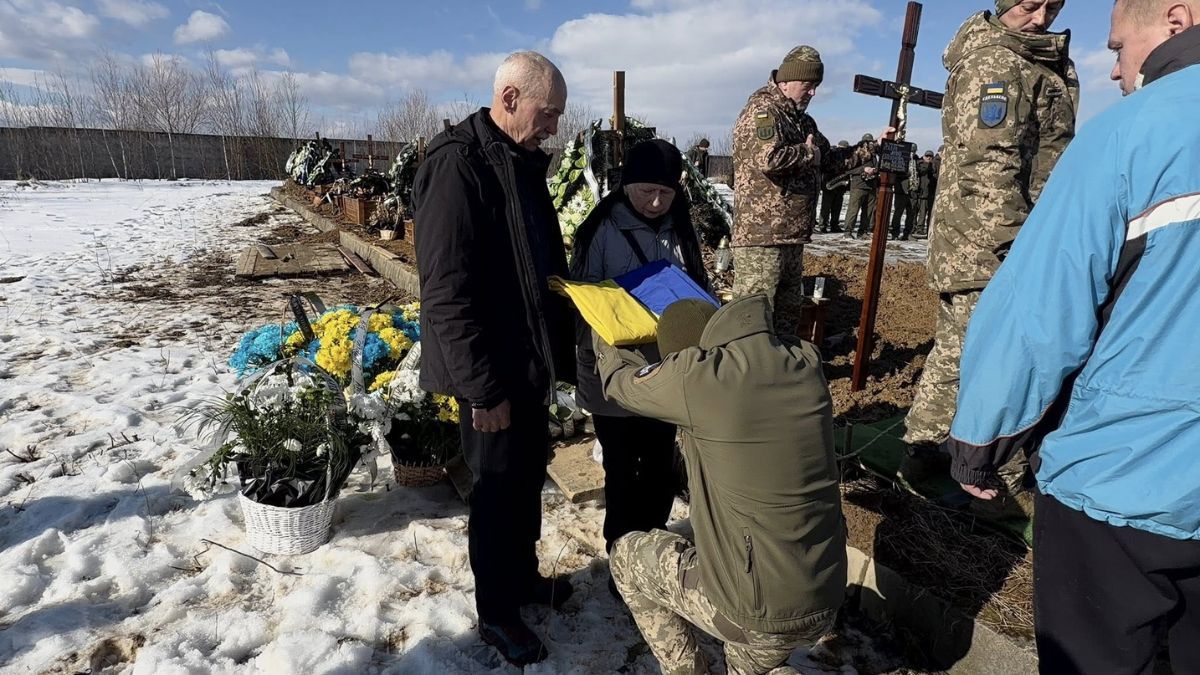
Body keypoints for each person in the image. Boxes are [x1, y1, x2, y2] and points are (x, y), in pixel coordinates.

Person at [947, 2, 1200, 671]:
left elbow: (1041, 308)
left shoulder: (1135, 133)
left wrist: (982, 438)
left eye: (1120, 47)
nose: (1115, 70)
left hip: (1125, 481)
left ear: (1177, 19)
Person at [411, 50, 576, 667]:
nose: (555, 126)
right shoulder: (458, 166)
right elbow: (447, 294)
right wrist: (481, 390)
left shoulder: (518, 161)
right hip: (490, 370)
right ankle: (495, 611)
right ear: (509, 98)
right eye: (548, 112)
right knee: (496, 488)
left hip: (528, 362)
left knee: (527, 477)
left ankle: (523, 577)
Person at [593, 296, 845, 675]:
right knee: (750, 659)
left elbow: (618, 384)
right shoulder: (804, 362)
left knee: (628, 556)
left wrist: (602, 326)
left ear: (687, 354)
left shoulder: (698, 379)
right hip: (826, 595)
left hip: (756, 612)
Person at [899, 0, 1078, 512]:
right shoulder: (998, 63)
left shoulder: (1025, 57)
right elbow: (989, 169)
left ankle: (922, 447)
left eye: (1051, 6)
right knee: (1000, 359)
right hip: (992, 246)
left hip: (984, 243)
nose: (1041, 17)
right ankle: (998, 476)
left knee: (958, 350)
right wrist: (1017, 254)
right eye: (1028, 5)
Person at [569, 139, 710, 572]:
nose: (654, 202)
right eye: (645, 191)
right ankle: (623, 558)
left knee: (660, 467)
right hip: (614, 369)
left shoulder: (680, 228)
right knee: (622, 469)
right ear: (626, 185)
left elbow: (698, 288)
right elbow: (581, 298)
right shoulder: (600, 229)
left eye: (665, 193)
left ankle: (653, 550)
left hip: (667, 367)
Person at [730, 45, 878, 334]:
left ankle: (782, 374)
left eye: (816, 87)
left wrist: (873, 148)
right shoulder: (762, 112)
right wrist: (808, 154)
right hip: (762, 237)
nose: (813, 93)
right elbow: (768, 159)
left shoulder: (803, 121)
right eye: (808, 86)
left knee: (787, 316)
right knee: (753, 321)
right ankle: (746, 376)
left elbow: (831, 160)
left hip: (791, 235)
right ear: (785, 82)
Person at [841, 134, 879, 240]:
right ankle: (848, 232)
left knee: (868, 211)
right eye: (868, 142)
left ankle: (863, 232)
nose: (870, 144)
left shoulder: (874, 155)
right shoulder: (856, 153)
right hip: (858, 185)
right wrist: (863, 170)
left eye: (871, 142)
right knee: (853, 210)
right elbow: (848, 169)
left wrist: (875, 170)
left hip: (871, 185)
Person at [818, 140, 851, 234]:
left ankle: (834, 225)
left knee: (837, 207)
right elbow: (825, 167)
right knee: (826, 206)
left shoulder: (845, 156)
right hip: (830, 183)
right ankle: (823, 225)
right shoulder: (831, 154)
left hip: (839, 185)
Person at [889, 145, 919, 241]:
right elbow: (895, 173)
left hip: (913, 190)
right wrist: (905, 173)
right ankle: (895, 233)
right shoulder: (901, 159)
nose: (912, 153)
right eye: (911, 151)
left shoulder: (917, 161)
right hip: (901, 190)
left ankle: (908, 233)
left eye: (914, 151)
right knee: (898, 212)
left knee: (911, 214)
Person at [913, 150, 937, 238]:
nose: (929, 158)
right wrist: (928, 164)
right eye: (927, 156)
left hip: (928, 193)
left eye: (930, 156)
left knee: (925, 213)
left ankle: (922, 229)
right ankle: (918, 229)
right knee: (919, 212)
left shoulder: (933, 166)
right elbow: (922, 172)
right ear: (924, 156)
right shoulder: (921, 164)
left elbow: (934, 177)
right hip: (921, 192)